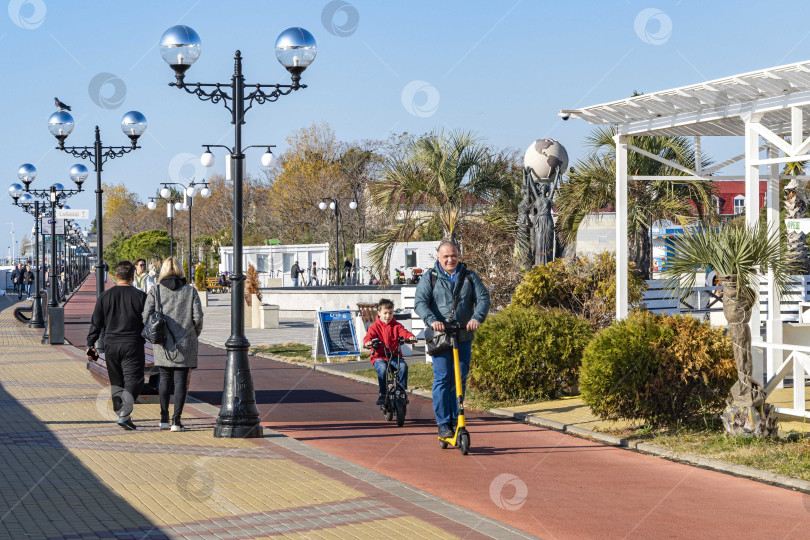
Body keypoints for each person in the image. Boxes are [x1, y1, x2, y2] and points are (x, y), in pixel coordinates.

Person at [414, 240, 490, 439]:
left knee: (460, 378)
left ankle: (457, 419)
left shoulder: (469, 276)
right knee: (442, 378)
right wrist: (432, 320)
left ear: (459, 256)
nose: (450, 259)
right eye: (446, 256)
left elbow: (483, 299)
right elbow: (420, 303)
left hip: (463, 335)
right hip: (440, 337)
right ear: (438, 257)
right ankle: (443, 423)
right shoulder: (429, 278)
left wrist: (476, 318)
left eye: (454, 255)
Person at [143, 257, 203, 432]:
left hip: (163, 343)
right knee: (181, 381)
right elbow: (198, 317)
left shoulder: (156, 290)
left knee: (164, 379)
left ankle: (163, 419)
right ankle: (176, 421)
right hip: (185, 342)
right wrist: (194, 334)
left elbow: (146, 314)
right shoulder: (190, 291)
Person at [86, 261, 147, 430]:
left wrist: (90, 343)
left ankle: (120, 410)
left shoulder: (105, 296)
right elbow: (149, 321)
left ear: (117, 275)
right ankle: (123, 413)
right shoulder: (141, 297)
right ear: (133, 277)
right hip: (132, 344)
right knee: (135, 380)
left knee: (117, 381)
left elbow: (96, 322)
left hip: (111, 344)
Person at [363, 298, 415, 405]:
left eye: (390, 313)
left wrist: (410, 337)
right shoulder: (374, 327)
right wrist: (368, 342)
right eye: (385, 313)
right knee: (382, 369)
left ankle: (401, 390)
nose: (388, 316)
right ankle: (382, 394)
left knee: (403, 367)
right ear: (379, 313)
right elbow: (368, 337)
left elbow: (404, 333)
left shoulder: (396, 326)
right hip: (379, 357)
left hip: (394, 356)